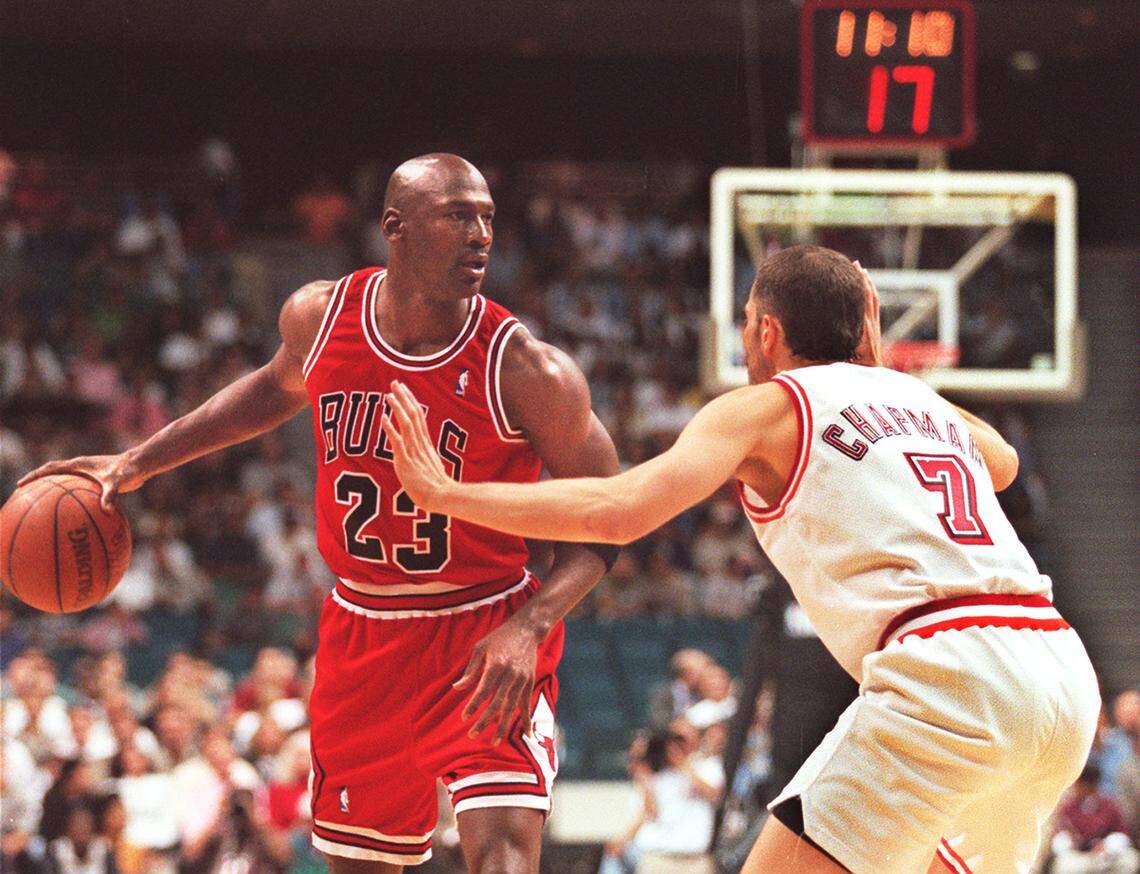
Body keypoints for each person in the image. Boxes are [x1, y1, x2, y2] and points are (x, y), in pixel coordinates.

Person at [382, 244, 1101, 874]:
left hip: (952, 674)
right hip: (1059, 676)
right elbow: (1001, 464)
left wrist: (446, 494)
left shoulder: (766, 407)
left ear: (767, 330)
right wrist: (879, 370)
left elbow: (618, 508)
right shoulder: (926, 405)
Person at [21, 153, 620, 873]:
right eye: (458, 216)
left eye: (488, 218)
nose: (481, 236)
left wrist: (531, 624)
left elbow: (608, 516)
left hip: (483, 630)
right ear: (395, 228)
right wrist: (139, 461)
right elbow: (269, 391)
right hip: (361, 636)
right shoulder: (321, 315)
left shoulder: (525, 369)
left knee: (504, 861)